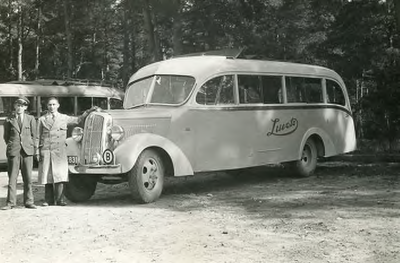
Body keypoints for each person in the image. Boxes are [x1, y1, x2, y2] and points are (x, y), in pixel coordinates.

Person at [37, 97, 98, 206]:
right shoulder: (42, 120)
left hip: (59, 150)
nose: (52, 107)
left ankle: (60, 199)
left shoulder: (63, 118)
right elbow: (37, 136)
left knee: (60, 175)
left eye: (54, 104)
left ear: (58, 105)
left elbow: (78, 119)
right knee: (47, 176)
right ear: (47, 106)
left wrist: (88, 111)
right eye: (50, 105)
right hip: (47, 150)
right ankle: (48, 200)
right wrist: (37, 151)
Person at [2, 96, 37, 210]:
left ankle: (29, 201)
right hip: (14, 151)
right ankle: (11, 203)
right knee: (12, 177)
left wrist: (31, 147)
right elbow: (6, 137)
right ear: (14, 106)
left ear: (25, 107)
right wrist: (13, 145)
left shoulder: (31, 119)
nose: (19, 108)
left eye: (22, 106)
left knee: (28, 177)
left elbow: (34, 135)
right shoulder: (9, 120)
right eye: (18, 105)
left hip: (27, 151)